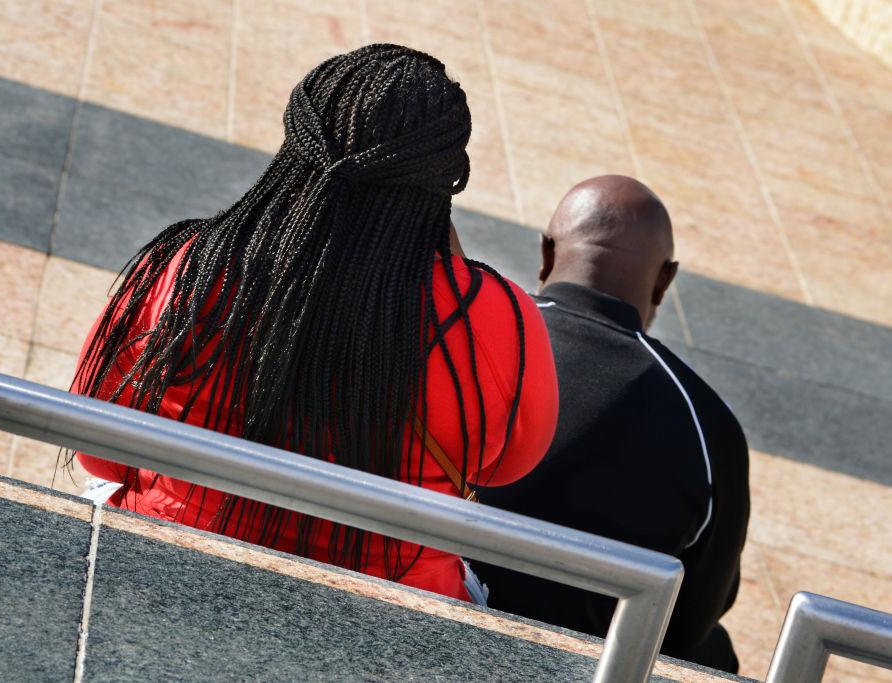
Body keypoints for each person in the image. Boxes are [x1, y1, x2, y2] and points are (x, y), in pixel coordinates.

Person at [70, 44, 558, 603]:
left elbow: (98, 451)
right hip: (391, 606)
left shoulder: (187, 268)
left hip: (168, 552)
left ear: (294, 139)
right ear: (448, 176)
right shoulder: (498, 318)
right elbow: (508, 468)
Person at [471, 175, 750, 672]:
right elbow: (690, 623)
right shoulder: (707, 425)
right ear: (664, 281)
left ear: (546, 253)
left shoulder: (467, 335)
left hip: (414, 611)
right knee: (717, 654)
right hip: (579, 669)